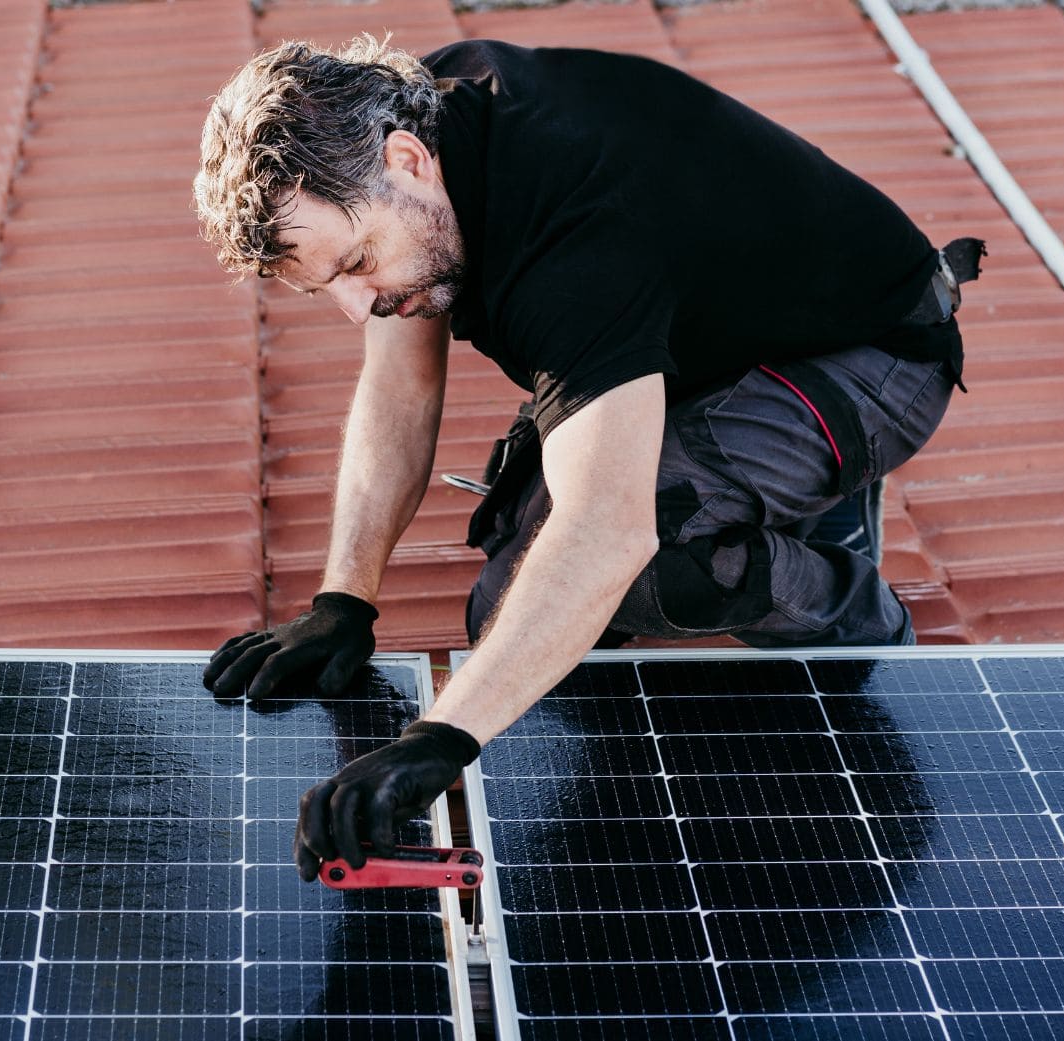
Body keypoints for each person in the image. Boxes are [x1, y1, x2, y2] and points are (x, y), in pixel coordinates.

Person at [191, 35, 983, 881]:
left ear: (409, 161)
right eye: (328, 288)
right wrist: (344, 597)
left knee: (647, 567)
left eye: (356, 264)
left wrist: (438, 739)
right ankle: (765, 489)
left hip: (867, 358)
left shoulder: (574, 229)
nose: (359, 306)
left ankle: (851, 600)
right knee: (509, 608)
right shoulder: (407, 130)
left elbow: (607, 535)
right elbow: (400, 393)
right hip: (701, 353)